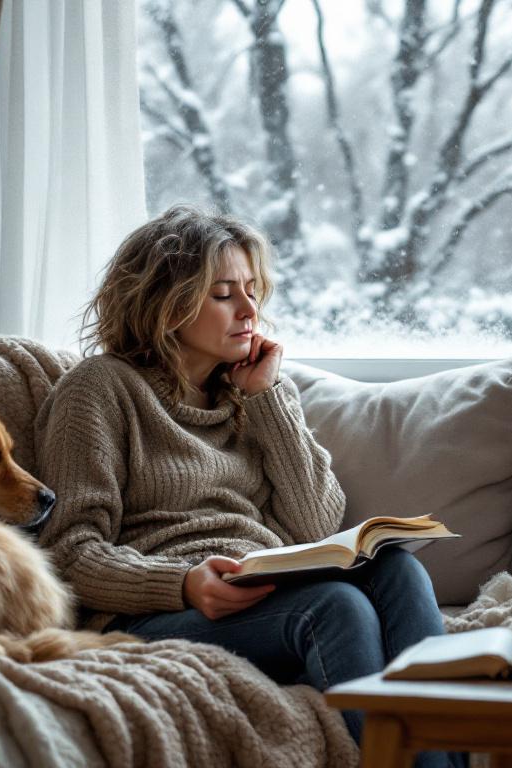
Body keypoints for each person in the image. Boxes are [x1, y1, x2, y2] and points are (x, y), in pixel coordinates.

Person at [35, 204, 461, 768]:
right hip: (155, 614)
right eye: (223, 293)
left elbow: (314, 525)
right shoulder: (99, 389)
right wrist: (182, 585)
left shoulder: (250, 396)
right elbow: (66, 554)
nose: (249, 308)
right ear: (167, 305)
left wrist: (268, 398)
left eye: (253, 289)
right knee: (336, 607)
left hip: (264, 593)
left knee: (398, 569)